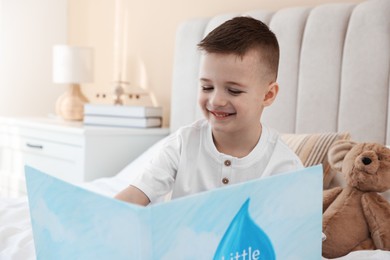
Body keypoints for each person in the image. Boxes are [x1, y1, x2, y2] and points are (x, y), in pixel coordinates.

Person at [115, 16, 303, 206]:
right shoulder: (182, 144)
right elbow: (134, 195)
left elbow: (300, 231)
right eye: (207, 87)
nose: (216, 100)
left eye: (234, 91)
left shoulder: (284, 166)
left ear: (268, 95)